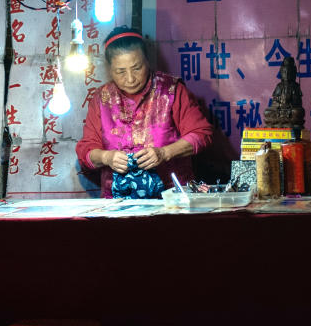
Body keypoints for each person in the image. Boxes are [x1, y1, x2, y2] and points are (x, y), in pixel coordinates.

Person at [76, 26, 213, 198]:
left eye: (137, 68)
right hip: (116, 204)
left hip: (172, 199)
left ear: (147, 61)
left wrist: (164, 153)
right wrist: (107, 157)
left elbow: (201, 134)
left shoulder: (171, 90)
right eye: (120, 71)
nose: (131, 78)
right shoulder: (101, 99)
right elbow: (86, 151)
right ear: (110, 70)